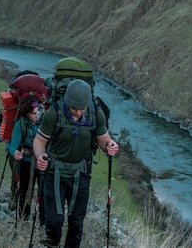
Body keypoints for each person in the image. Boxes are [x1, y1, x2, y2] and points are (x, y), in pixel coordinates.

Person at [33, 79, 119, 248]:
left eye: (82, 108)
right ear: (67, 102)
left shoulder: (96, 114)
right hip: (55, 172)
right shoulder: (54, 114)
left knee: (77, 222)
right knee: (55, 221)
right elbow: (39, 141)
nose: (78, 112)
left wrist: (110, 146)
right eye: (74, 109)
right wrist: (41, 157)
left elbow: (103, 139)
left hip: (81, 174)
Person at [8, 96, 45, 221]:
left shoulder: (45, 123)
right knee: (25, 192)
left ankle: (43, 221)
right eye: (33, 114)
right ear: (27, 113)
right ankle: (24, 219)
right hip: (26, 163)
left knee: (44, 192)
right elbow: (13, 145)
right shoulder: (21, 124)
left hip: (42, 163)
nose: (36, 116)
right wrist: (15, 153)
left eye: (38, 113)